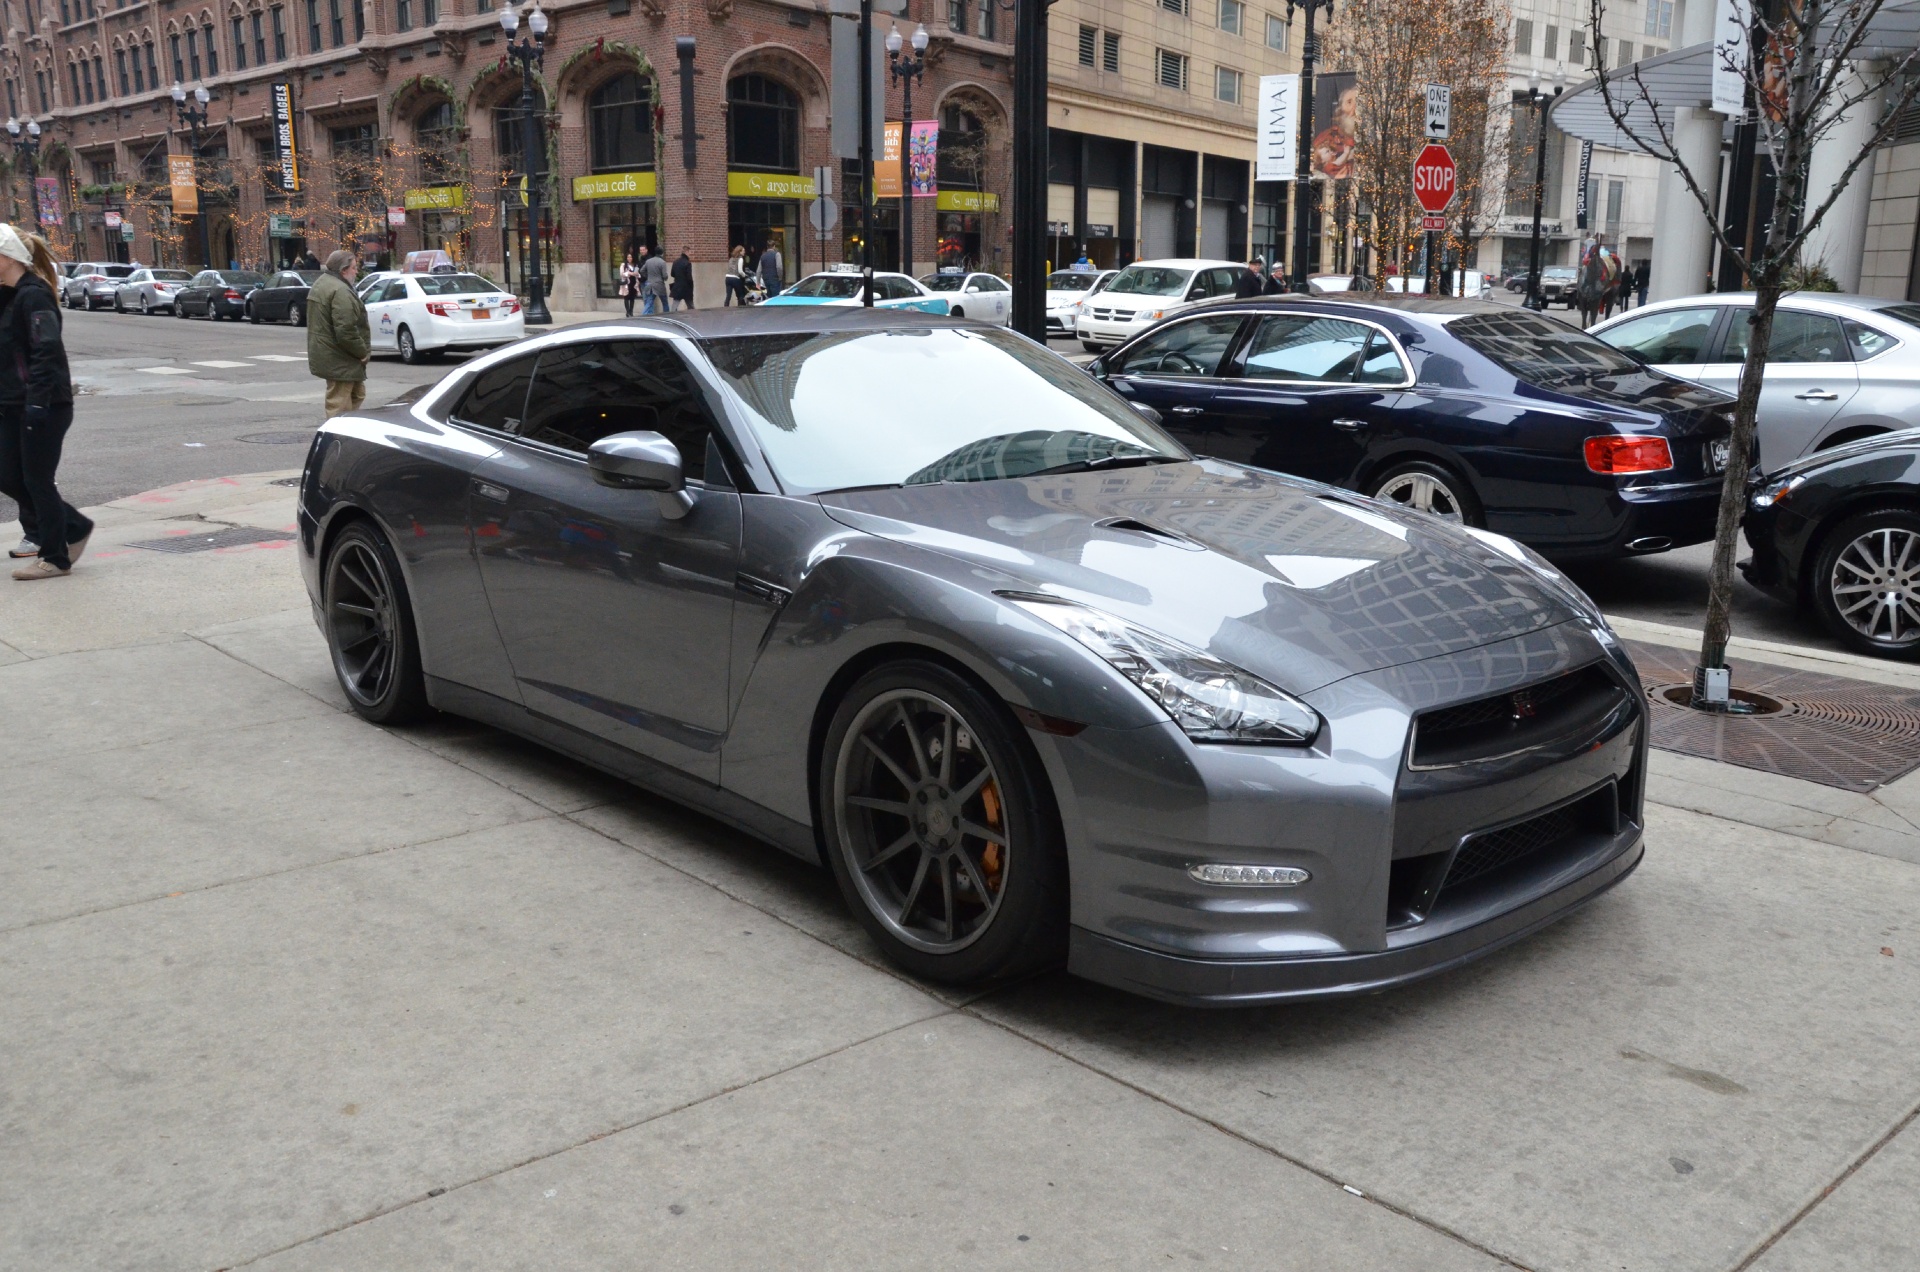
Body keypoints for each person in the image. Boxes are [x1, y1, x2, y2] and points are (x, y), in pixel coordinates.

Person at [0, 226, 87, 581]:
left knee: (37, 479)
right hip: (10, 403)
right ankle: (74, 525)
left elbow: (45, 351)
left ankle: (55, 557)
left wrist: (37, 404)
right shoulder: (6, 296)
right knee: (8, 474)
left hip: (43, 404)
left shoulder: (34, 296)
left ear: (5, 258)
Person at [306, 250, 370, 419]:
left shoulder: (323, 283)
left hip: (333, 355)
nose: (357, 271)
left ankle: (346, 432)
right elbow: (345, 330)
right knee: (340, 403)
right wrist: (362, 352)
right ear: (343, 270)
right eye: (354, 268)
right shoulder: (340, 290)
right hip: (340, 357)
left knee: (356, 394)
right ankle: (337, 438)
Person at [641, 246, 669, 315]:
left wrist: (648, 276)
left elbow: (642, 270)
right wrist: (665, 278)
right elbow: (665, 275)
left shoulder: (648, 261)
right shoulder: (662, 262)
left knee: (649, 302)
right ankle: (667, 316)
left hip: (650, 284)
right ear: (662, 253)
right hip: (659, 285)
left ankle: (643, 315)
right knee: (664, 302)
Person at [618, 248, 641, 318]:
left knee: (632, 298)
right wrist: (629, 273)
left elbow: (637, 274)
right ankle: (627, 312)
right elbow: (622, 274)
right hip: (626, 284)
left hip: (633, 283)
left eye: (630, 257)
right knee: (626, 298)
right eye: (628, 257)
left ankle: (631, 311)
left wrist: (635, 274)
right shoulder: (623, 265)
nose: (629, 258)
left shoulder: (635, 265)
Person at [670, 246, 694, 311]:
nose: (690, 254)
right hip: (686, 288)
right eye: (690, 252)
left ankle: (672, 317)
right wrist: (691, 285)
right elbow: (689, 277)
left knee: (674, 306)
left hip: (677, 286)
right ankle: (694, 318)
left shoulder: (675, 262)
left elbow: (672, 274)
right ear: (687, 252)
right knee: (690, 306)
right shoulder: (688, 263)